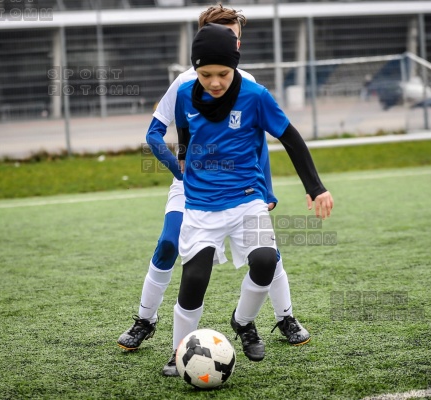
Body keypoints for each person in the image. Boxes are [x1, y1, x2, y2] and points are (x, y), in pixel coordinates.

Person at [117, 4, 310, 371]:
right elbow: (157, 134)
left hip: (242, 187)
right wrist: (180, 169)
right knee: (170, 245)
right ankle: (146, 320)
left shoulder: (249, 85)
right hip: (191, 185)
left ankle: (283, 317)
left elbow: (260, 144)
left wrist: (266, 190)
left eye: (237, 34)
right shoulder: (184, 84)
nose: (234, 38)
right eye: (227, 31)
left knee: (267, 254)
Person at [166, 23, 334, 374]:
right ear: (194, 69)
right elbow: (184, 128)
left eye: (223, 74)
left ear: (236, 65)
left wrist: (315, 187)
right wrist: (184, 156)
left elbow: (292, 138)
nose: (214, 82)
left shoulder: (256, 96)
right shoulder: (184, 94)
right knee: (194, 279)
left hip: (247, 199)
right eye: (205, 73)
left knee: (265, 260)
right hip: (200, 205)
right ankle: (180, 351)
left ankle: (243, 321)